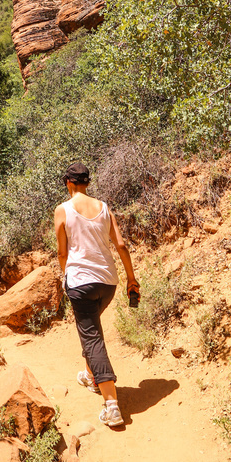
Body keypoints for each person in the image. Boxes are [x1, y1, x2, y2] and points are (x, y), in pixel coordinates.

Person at [54, 161, 140, 428]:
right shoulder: (104, 208)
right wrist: (132, 279)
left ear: (68, 183)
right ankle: (90, 374)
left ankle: (112, 406)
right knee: (91, 330)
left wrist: (67, 274)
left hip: (80, 283)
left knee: (91, 338)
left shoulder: (63, 210)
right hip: (108, 282)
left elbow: (62, 252)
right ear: (87, 183)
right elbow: (122, 245)